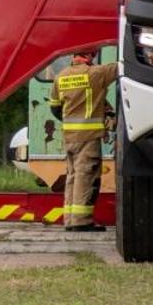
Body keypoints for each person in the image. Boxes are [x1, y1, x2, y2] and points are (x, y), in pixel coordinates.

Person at [54, 52, 119, 232]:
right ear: (90, 55)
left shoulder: (61, 76)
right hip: (88, 137)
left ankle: (70, 219)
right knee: (86, 175)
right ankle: (81, 221)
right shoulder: (96, 73)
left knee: (72, 176)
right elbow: (121, 66)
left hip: (69, 136)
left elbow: (54, 107)